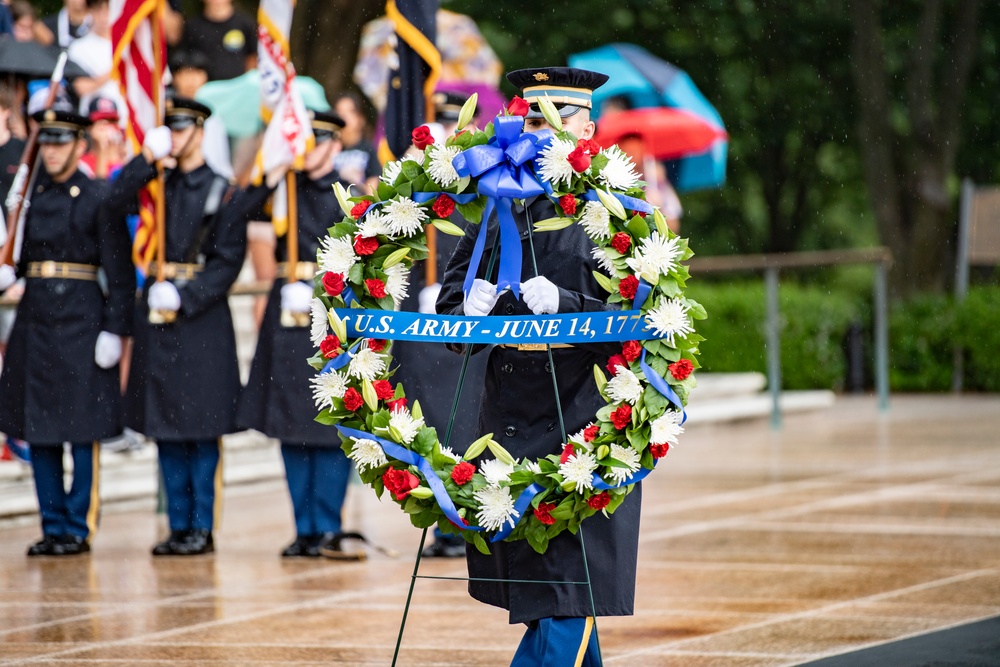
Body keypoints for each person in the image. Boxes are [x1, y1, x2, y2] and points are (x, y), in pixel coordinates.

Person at [436, 67, 641, 666]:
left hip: (584, 413)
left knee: (568, 591)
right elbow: (453, 322)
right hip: (510, 420)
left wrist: (571, 307)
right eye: (533, 120)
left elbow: (646, 321)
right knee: (556, 592)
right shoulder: (499, 207)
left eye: (560, 120)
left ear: (587, 130)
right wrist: (467, 312)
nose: (544, 132)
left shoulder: (613, 214)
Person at [107, 98, 272, 557]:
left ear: (200, 131)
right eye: (170, 130)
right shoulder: (153, 184)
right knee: (164, 428)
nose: (175, 137)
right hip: (157, 321)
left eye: (182, 130)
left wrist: (187, 294)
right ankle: (178, 524)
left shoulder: (222, 190)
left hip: (200, 321)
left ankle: (201, 526)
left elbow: (226, 262)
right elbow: (110, 204)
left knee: (201, 430)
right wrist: (144, 161)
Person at [0, 108, 135, 556]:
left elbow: (118, 273)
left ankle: (78, 526)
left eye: (63, 142)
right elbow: (17, 256)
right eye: (49, 142)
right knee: (39, 430)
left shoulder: (98, 196)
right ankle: (52, 522)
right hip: (36, 318)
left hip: (82, 320)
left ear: (80, 145)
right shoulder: (28, 197)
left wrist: (115, 329)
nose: (54, 151)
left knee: (82, 431)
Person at [236, 110, 359, 559]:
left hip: (331, 314)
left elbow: (366, 260)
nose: (308, 151)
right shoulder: (282, 189)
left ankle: (327, 524)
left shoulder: (349, 196)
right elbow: (236, 218)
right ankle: (303, 526)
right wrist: (269, 175)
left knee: (329, 426)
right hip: (287, 318)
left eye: (318, 141)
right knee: (291, 424)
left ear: (335, 145)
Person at [393, 91, 487, 559]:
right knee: (426, 424)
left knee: (466, 425)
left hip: (465, 324)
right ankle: (441, 519)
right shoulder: (417, 182)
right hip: (420, 326)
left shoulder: (483, 183)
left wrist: (462, 294)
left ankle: (466, 521)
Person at [67, 0, 126, 123]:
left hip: (126, 121)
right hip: (93, 120)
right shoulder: (78, 48)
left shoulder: (129, 44)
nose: (104, 16)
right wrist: (113, 71)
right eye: (98, 9)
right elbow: (81, 88)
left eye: (108, 9)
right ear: (90, 11)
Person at [179, 0, 256, 82]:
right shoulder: (193, 27)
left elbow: (253, 56)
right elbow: (187, 62)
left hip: (240, 85)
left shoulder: (245, 23)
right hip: (206, 88)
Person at [332, 92, 380, 193]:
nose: (344, 117)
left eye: (350, 112)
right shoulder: (330, 149)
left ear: (361, 119)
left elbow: (372, 185)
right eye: (339, 112)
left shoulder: (368, 149)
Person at [80, 95, 125, 180]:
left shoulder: (126, 157)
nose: (108, 127)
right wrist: (103, 153)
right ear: (90, 127)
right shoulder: (81, 164)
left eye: (112, 121)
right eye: (102, 122)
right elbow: (99, 191)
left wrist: (118, 160)